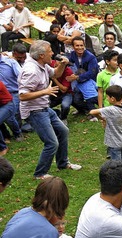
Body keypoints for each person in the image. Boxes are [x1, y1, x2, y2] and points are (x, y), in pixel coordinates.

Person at [19, 40, 82, 179]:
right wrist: (45, 91)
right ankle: (40, 173)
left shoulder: (42, 64)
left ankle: (63, 163)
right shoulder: (32, 71)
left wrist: (63, 64)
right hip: (34, 111)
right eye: (50, 51)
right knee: (52, 143)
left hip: (44, 108)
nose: (53, 53)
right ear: (41, 55)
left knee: (63, 131)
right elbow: (23, 96)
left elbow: (56, 74)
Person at [90, 85, 122, 161]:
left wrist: (102, 118)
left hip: (115, 143)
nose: (106, 98)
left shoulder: (110, 110)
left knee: (117, 166)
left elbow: (92, 112)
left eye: (107, 97)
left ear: (113, 99)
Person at [66, 36, 99, 116]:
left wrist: (77, 77)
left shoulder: (90, 57)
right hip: (78, 82)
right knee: (75, 100)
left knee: (91, 98)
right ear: (73, 47)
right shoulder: (73, 54)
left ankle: (95, 110)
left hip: (90, 81)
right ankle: (85, 109)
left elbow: (93, 72)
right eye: (77, 45)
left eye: (81, 45)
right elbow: (69, 64)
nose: (80, 47)